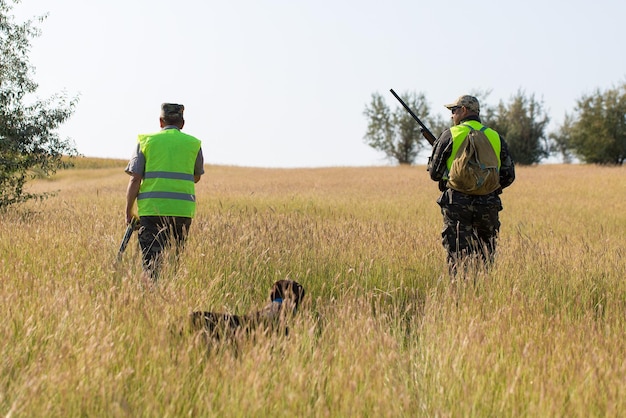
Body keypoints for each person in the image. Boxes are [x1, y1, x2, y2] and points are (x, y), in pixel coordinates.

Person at [427, 95, 515, 276]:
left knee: (457, 254)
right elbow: (508, 175)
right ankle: (482, 295)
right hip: (488, 204)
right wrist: (491, 188)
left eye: (454, 110)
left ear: (464, 110)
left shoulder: (450, 134)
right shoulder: (495, 137)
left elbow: (434, 173)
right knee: (485, 254)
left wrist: (447, 178)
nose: (452, 115)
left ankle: (459, 296)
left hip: (457, 204)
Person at [125, 103, 204, 281]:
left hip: (152, 212)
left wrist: (129, 211)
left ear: (161, 121)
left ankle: (151, 300)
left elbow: (135, 179)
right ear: (182, 123)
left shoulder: (146, 141)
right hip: (182, 212)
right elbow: (196, 176)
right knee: (174, 262)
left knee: (151, 265)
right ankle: (171, 296)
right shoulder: (193, 144)